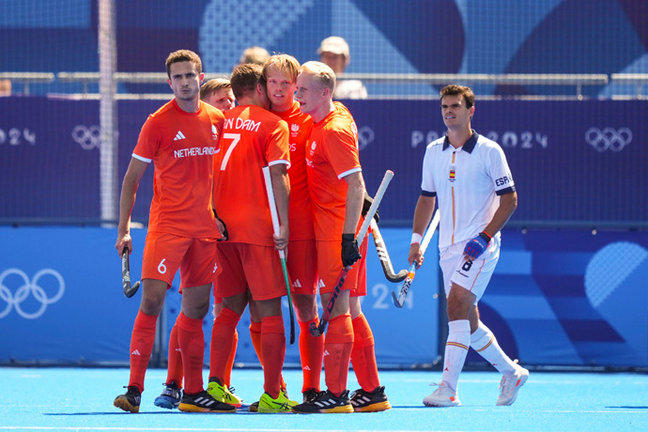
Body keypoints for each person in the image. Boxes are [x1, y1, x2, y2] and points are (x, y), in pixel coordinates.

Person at [113, 49, 235, 413]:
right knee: (151, 301)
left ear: (201, 77)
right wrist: (124, 229)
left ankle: (193, 392)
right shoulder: (157, 122)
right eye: (178, 77)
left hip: (204, 232)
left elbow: (226, 177)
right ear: (170, 82)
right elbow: (132, 180)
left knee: (195, 311)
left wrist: (220, 215)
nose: (184, 81)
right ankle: (134, 388)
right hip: (166, 228)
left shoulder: (218, 119)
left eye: (190, 75)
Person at [408, 84, 528, 408]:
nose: (449, 111)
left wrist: (485, 236)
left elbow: (510, 199)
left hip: (480, 244)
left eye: (456, 106)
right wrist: (416, 241)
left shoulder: (490, 151)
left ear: (470, 110)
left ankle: (448, 388)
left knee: (456, 303)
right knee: (467, 319)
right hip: (446, 248)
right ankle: (511, 372)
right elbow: (425, 198)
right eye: (445, 106)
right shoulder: (433, 151)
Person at [208, 63, 295, 413]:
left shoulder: (217, 121)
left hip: (220, 228)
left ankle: (216, 385)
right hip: (259, 229)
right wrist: (285, 226)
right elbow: (279, 176)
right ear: (260, 88)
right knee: (269, 311)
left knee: (228, 309)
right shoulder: (274, 124)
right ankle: (273, 395)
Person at [153, 75, 241, 411]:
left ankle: (221, 384)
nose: (227, 106)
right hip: (201, 232)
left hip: (233, 235)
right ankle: (175, 384)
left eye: (231, 100)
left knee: (225, 310)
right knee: (192, 311)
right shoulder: (196, 136)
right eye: (220, 101)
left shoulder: (235, 135)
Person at [291, 61, 365, 413]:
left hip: (337, 230)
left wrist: (348, 237)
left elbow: (356, 184)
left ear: (325, 93)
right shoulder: (333, 115)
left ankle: (336, 395)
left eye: (303, 90)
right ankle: (368, 393)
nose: (296, 95)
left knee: (337, 311)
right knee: (346, 309)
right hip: (332, 226)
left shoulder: (332, 130)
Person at [260, 54, 322, 405]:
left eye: (287, 84)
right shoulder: (258, 119)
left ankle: (311, 388)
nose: (281, 90)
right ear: (264, 84)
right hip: (259, 231)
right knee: (261, 311)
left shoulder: (309, 118)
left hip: (300, 229)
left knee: (305, 307)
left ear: (297, 85)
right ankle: (276, 388)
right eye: (274, 82)